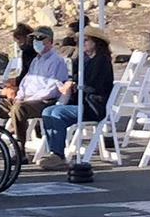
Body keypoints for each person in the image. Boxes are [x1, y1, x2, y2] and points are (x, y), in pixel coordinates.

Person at [41, 32, 116, 161]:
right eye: (79, 41)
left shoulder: (102, 61)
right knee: (48, 111)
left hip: (93, 106)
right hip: (80, 102)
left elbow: (95, 87)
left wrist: (76, 85)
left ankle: (58, 154)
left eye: (85, 40)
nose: (81, 43)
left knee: (58, 113)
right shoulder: (83, 60)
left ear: (96, 42)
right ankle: (53, 151)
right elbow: (75, 77)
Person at [9, 31, 73, 146]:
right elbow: (26, 81)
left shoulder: (56, 61)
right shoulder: (36, 60)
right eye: (34, 39)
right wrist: (20, 96)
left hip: (45, 101)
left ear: (49, 41)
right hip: (27, 99)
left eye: (40, 39)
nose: (36, 42)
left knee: (19, 108)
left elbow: (52, 88)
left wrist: (28, 99)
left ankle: (19, 147)